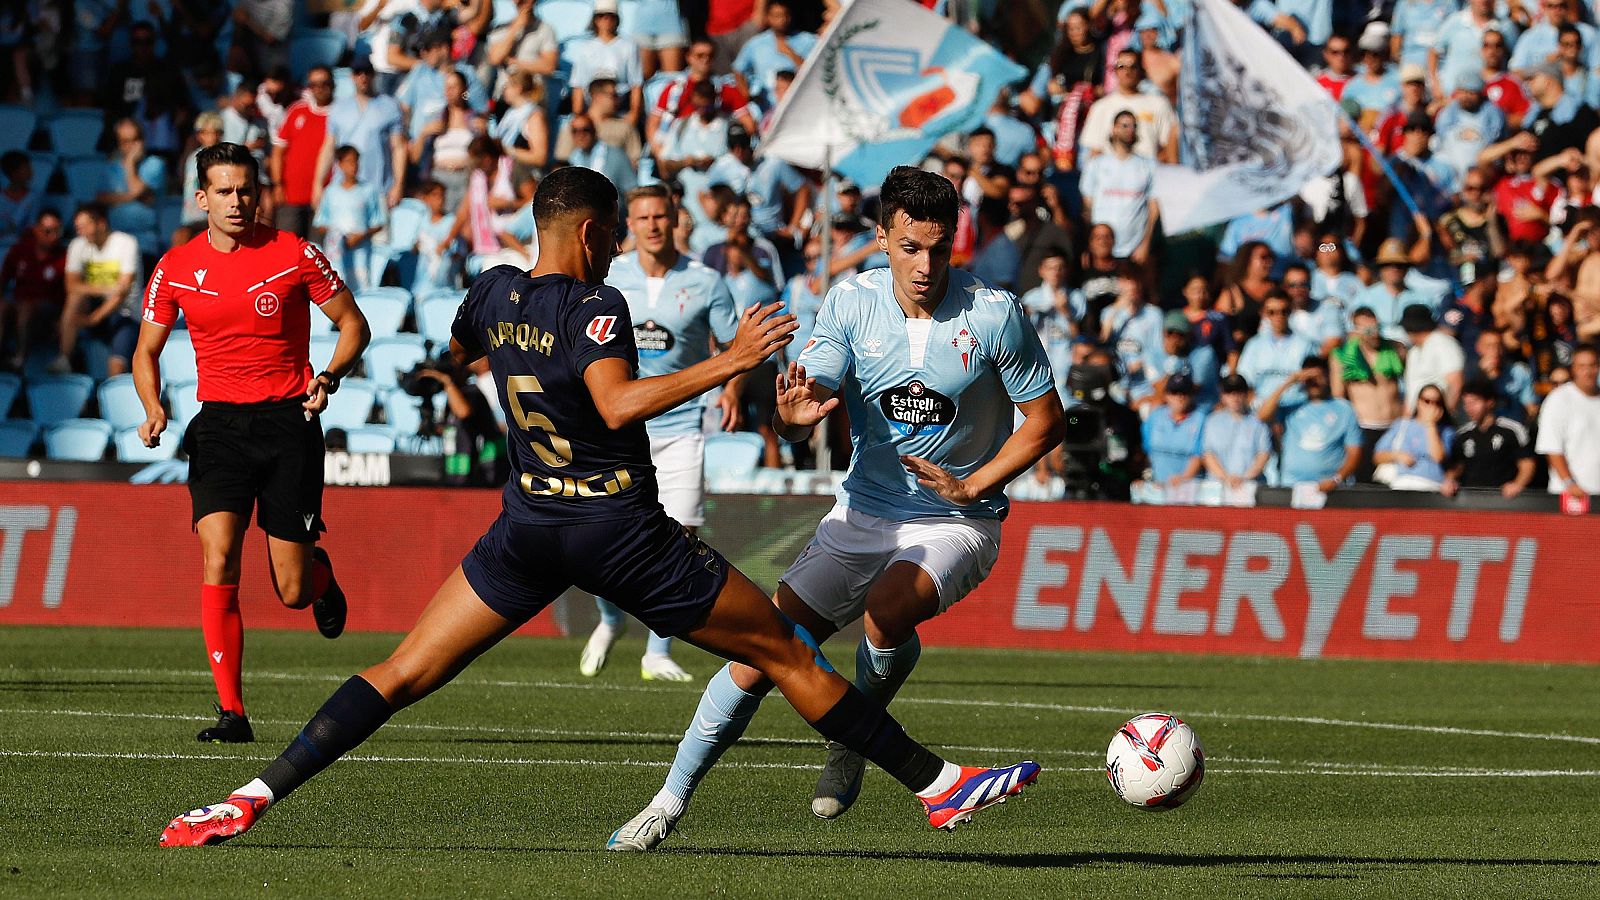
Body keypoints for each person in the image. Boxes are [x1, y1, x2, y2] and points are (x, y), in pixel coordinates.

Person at [159, 164, 1039, 849]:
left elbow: (462, 354)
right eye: (613, 236)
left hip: (527, 530)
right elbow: (617, 404)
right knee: (783, 649)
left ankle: (248, 798)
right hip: (620, 535)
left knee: (402, 674)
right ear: (588, 233)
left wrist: (515, 373)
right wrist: (726, 364)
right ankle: (936, 786)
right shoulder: (599, 304)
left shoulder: (492, 291)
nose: (619, 249)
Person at [605, 165, 1062, 851]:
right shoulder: (850, 302)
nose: (925, 265)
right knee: (758, 654)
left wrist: (974, 486)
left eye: (939, 249)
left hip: (957, 520)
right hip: (861, 514)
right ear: (882, 239)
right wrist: (792, 420)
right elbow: (806, 398)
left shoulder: (994, 314)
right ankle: (667, 801)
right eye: (910, 247)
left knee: (889, 604)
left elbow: (1046, 421)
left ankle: (852, 742)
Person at [132, 142, 371, 744]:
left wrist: (329, 376)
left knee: (290, 592)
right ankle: (232, 713)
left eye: (246, 190)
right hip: (219, 430)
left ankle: (319, 575)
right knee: (218, 558)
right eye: (224, 191)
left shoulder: (294, 253)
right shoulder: (176, 267)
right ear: (201, 198)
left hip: (290, 425)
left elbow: (353, 324)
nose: (237, 201)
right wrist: (154, 404)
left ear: (258, 194)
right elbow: (146, 351)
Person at [579, 184, 742, 683]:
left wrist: (731, 388)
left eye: (660, 216)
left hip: (682, 424)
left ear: (675, 219)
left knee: (681, 535)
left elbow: (735, 343)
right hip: (618, 425)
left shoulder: (706, 280)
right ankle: (610, 620)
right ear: (629, 222)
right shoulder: (609, 275)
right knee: (601, 537)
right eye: (642, 216)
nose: (652, 224)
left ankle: (657, 649)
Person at [48, 203, 141, 376]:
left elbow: (122, 293)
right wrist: (108, 289)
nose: (80, 232)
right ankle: (64, 358)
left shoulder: (126, 243)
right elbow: (71, 286)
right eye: (77, 228)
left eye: (84, 227)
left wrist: (93, 319)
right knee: (75, 298)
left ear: (101, 223)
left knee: (116, 369)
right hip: (94, 308)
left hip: (125, 315)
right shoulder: (77, 245)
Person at [316, 57, 408, 212]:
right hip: (344, 189)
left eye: (367, 72)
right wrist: (317, 184)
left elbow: (398, 147)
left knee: (379, 234)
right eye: (358, 72)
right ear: (352, 76)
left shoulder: (390, 106)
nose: (363, 77)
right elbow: (329, 147)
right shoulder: (339, 108)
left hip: (379, 188)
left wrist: (398, 184)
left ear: (373, 75)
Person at [1263, 356, 1362, 491]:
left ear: (1328, 377)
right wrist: (1290, 381)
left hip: (1330, 488)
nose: (1314, 383)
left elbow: (1354, 452)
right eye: (1309, 379)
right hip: (1291, 485)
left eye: (1319, 377)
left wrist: (1336, 479)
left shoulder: (1344, 409)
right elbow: (1262, 416)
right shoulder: (1292, 405)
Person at [1331, 306, 1406, 479]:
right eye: (1369, 330)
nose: (1374, 334)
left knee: (1393, 480)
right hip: (1364, 425)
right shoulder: (1342, 356)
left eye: (1377, 328)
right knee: (1364, 480)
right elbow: (1338, 396)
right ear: (1356, 331)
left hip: (1393, 425)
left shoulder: (1395, 350)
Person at [1078, 111, 1157, 263]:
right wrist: (1088, 245)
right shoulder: (1096, 164)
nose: (1130, 130)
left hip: (1134, 250)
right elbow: (1087, 207)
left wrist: (1146, 243)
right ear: (1114, 128)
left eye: (1134, 126)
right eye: (1125, 125)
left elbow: (1153, 208)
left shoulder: (1148, 165)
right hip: (1101, 250)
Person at [270, 65, 335, 238]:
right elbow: (278, 151)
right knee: (287, 250)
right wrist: (277, 184)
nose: (319, 88)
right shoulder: (297, 110)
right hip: (291, 195)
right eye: (314, 84)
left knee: (317, 252)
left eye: (324, 83)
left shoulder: (340, 114)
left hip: (325, 198)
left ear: (333, 84)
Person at [1443, 377, 1536, 497]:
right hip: (1469, 502)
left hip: (1503, 502)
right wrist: (1449, 481)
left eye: (1474, 402)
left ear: (1490, 402)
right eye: (1466, 404)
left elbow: (1527, 464)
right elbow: (1456, 467)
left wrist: (1517, 485)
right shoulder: (1462, 434)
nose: (1469, 408)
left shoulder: (1512, 430)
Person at [314, 146, 386, 292]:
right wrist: (338, 235)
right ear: (339, 164)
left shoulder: (368, 190)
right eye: (348, 162)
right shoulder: (331, 191)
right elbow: (320, 223)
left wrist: (361, 235)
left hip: (360, 250)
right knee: (336, 287)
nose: (353, 166)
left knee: (361, 286)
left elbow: (378, 222)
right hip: (336, 253)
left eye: (355, 162)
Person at [0, 209, 66, 369]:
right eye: (47, 231)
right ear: (36, 230)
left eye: (57, 231)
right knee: (3, 306)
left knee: (26, 307)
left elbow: (70, 293)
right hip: (18, 305)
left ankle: (20, 358)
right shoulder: (19, 251)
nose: (53, 236)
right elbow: (3, 281)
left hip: (49, 311)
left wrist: (62, 321)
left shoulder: (65, 256)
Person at [1236, 291, 1317, 421]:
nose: (1278, 316)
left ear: (1291, 312)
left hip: (1296, 408)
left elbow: (1313, 380)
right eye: (1272, 312)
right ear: (1263, 313)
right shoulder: (1254, 345)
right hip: (1261, 410)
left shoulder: (1305, 345)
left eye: (1284, 311)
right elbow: (1245, 382)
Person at [1536, 341, 1600, 498]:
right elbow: (1552, 448)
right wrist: (1570, 483)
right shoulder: (1558, 399)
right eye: (1582, 366)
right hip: (1570, 495)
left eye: (1592, 365)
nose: (1588, 372)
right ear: (1574, 369)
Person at [1373, 384, 1455, 491]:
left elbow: (1438, 457)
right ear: (1418, 402)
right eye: (1427, 401)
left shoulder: (1446, 431)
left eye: (1437, 402)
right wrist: (1397, 455)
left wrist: (1431, 425)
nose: (1431, 406)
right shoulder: (1402, 425)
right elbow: (1378, 456)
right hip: (1403, 483)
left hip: (1432, 485)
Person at [1202, 374, 1273, 488]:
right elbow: (1208, 454)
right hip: (1218, 487)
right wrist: (1226, 478)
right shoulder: (1212, 421)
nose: (1234, 396)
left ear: (1246, 394)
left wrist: (1243, 479)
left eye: (1239, 391)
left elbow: (1263, 454)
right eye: (1229, 392)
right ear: (1222, 395)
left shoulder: (1259, 422)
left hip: (1250, 486)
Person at [1142, 372, 1207, 491]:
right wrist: (1146, 478)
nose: (1179, 397)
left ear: (1191, 395)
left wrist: (1183, 478)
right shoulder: (1155, 416)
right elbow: (1146, 450)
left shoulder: (1200, 419)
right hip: (1157, 484)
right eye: (1174, 393)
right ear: (1166, 395)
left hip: (1188, 487)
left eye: (1184, 393)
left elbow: (1199, 455)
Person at [1401, 303, 1465, 410]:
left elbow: (1455, 383)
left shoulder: (1444, 344)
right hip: (1418, 420)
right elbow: (1411, 393)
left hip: (1438, 419)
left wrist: (1444, 417)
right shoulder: (1414, 352)